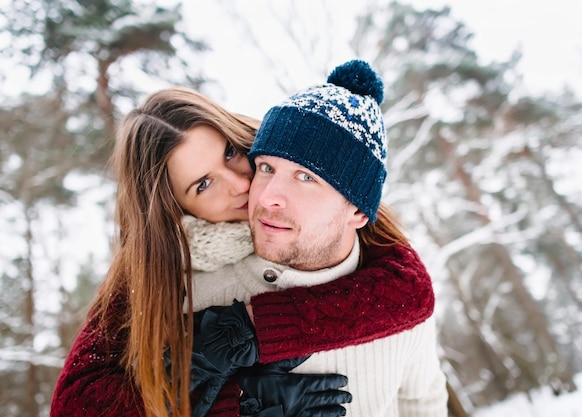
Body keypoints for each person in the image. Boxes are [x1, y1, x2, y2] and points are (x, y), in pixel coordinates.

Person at [50, 81, 437, 417]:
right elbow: (76, 405)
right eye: (203, 184)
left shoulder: (311, 179)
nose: (240, 184)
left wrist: (251, 327)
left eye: (231, 152)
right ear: (177, 211)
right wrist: (228, 402)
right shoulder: (162, 271)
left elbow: (411, 291)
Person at [187, 60, 448, 417]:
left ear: (357, 210)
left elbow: (423, 401)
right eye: (266, 168)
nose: (266, 197)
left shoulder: (403, 306)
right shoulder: (198, 299)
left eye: (305, 177)